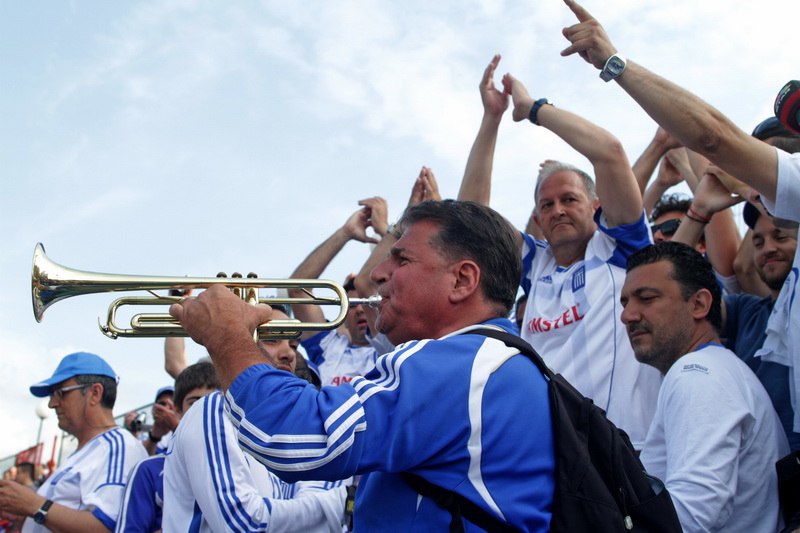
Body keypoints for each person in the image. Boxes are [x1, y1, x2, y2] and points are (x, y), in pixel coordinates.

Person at [169, 200, 556, 532]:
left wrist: (227, 335)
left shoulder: (464, 364)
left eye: (401, 259)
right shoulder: (485, 361)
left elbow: (292, 433)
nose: (377, 274)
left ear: (462, 280)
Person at [560, 0, 800, 432]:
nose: (629, 314)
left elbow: (713, 138)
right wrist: (700, 206)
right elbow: (667, 282)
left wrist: (614, 61)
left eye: (779, 158)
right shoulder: (761, 311)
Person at [458, 56, 660, 450]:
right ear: (537, 218)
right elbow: (471, 215)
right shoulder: (536, 265)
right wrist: (492, 120)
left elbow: (610, 152)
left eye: (569, 199)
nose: (558, 211)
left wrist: (532, 109)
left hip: (624, 448)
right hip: (549, 448)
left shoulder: (622, 248)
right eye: (547, 205)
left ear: (596, 206)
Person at [620, 241, 789, 532]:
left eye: (646, 298)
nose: (628, 315)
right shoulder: (710, 369)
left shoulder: (697, 374)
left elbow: (691, 516)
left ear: (699, 304)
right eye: (625, 303)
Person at [162, 310, 348, 533]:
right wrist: (340, 502)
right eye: (272, 339)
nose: (289, 353)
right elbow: (244, 525)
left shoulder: (288, 422)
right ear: (236, 343)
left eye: (293, 345)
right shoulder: (214, 408)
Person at [0, 352, 147, 533]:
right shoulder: (88, 450)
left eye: (60, 393)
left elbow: (107, 528)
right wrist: (23, 518)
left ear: (95, 393)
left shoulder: (120, 446)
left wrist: (34, 504)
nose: (52, 403)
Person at [288, 206, 381, 387]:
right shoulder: (328, 347)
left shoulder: (395, 347)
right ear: (343, 319)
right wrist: (346, 232)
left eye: (366, 303)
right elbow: (298, 290)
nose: (360, 310)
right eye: (351, 305)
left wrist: (389, 231)